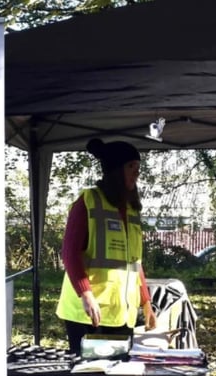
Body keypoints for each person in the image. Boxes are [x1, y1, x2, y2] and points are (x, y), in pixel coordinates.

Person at [56, 137, 157, 355]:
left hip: (122, 313)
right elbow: (69, 254)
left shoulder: (132, 210)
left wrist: (146, 302)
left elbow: (135, 263)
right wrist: (86, 294)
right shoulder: (88, 201)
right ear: (115, 170)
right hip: (87, 311)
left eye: (138, 168)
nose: (137, 173)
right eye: (131, 167)